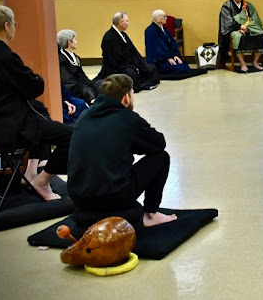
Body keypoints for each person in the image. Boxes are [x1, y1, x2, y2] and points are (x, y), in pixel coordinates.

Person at [0, 4, 72, 201]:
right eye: (15, 24)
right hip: (9, 126)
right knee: (72, 135)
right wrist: (37, 79)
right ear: (7, 26)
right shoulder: (4, 55)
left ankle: (31, 173)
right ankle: (42, 182)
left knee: (42, 115)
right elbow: (35, 87)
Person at [67, 74, 177, 228]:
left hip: (78, 197)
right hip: (114, 197)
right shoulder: (127, 118)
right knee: (161, 158)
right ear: (126, 97)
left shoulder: (84, 115)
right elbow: (158, 144)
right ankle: (151, 214)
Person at [97, 12, 160, 92]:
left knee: (151, 68)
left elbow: (134, 52)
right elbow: (115, 60)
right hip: (117, 67)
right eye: (127, 21)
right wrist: (133, 67)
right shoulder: (110, 37)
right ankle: (140, 84)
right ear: (120, 22)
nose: (128, 23)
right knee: (132, 74)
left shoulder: (123, 35)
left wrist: (138, 65)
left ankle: (142, 82)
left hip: (129, 64)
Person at [144, 9, 206, 80]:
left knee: (183, 65)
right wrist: (168, 57)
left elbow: (172, 42)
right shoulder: (150, 31)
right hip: (159, 60)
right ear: (157, 19)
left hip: (168, 56)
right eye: (164, 17)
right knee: (178, 69)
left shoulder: (163, 28)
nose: (166, 18)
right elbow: (157, 47)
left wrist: (175, 55)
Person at [219, 0, 263, 72]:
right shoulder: (227, 6)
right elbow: (227, 22)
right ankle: (242, 63)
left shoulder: (248, 5)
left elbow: (255, 19)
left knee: (261, 34)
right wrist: (239, 27)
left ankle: (255, 62)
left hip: (248, 28)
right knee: (237, 36)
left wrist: (248, 28)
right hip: (234, 30)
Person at [58, 29, 102, 102]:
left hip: (81, 83)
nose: (76, 42)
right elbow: (68, 81)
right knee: (88, 91)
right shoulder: (61, 60)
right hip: (73, 87)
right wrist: (84, 86)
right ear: (69, 42)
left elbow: (82, 75)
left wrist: (89, 83)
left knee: (101, 84)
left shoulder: (75, 57)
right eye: (74, 39)